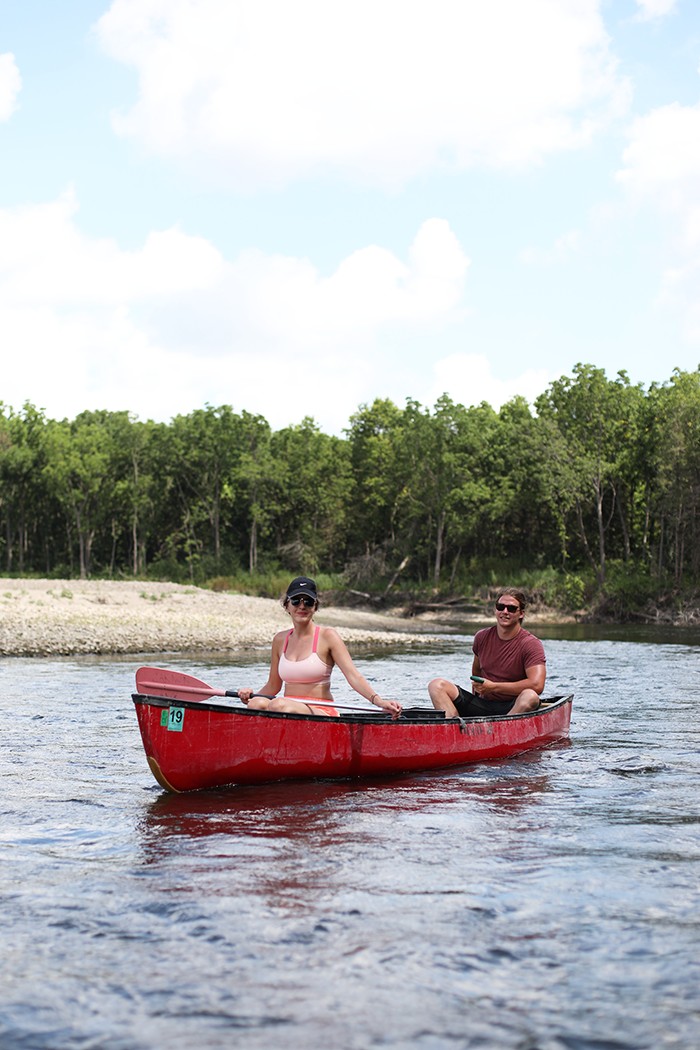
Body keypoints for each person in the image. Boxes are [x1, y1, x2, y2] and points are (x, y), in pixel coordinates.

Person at [238, 576, 402, 719]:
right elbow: (273, 686)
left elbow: (354, 677)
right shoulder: (280, 640)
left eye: (308, 602)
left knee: (279, 705)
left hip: (320, 711)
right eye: (296, 601)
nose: (302, 606)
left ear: (315, 607)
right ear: (287, 605)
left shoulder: (328, 636)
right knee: (256, 704)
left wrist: (378, 701)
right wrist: (251, 696)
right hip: (285, 707)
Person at [428, 589, 545, 717]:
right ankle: (455, 728)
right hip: (484, 704)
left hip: (514, 706)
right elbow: (476, 673)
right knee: (436, 686)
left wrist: (494, 687)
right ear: (496, 610)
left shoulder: (531, 644)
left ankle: (502, 730)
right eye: (501, 607)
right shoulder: (481, 637)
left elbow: (537, 685)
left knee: (530, 696)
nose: (505, 612)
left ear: (521, 614)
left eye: (511, 608)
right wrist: (478, 695)